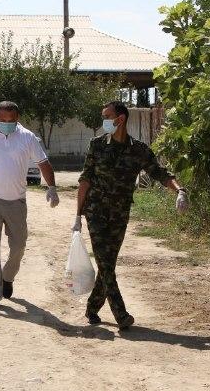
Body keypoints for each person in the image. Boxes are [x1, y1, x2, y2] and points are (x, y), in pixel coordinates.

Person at [74, 101, 188, 330]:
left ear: (121, 119)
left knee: (108, 263)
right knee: (105, 263)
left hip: (119, 213)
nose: (104, 120)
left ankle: (92, 307)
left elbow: (160, 173)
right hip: (95, 212)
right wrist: (77, 216)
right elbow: (85, 179)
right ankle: (121, 315)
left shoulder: (139, 150)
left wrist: (180, 191)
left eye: (107, 116)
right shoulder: (96, 145)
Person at [0, 101, 59, 307]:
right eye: (3, 120)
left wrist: (52, 186)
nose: (7, 123)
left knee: (19, 245)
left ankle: (8, 276)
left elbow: (43, 163)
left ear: (17, 118)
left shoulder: (27, 138)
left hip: (16, 201)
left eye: (11, 120)